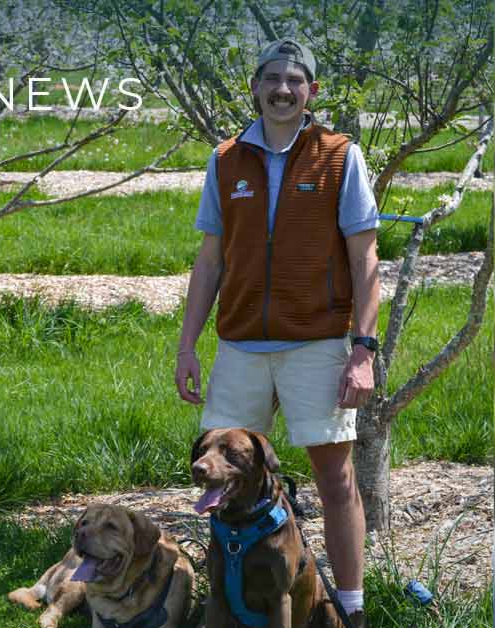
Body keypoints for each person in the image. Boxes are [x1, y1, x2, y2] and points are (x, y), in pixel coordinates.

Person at [174, 38, 379, 628]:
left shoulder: (340, 157)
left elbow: (365, 260)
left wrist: (362, 349)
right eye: (272, 78)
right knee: (222, 472)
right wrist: (188, 346)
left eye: (295, 80)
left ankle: (350, 609)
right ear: (256, 87)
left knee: (334, 478)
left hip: (316, 341)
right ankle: (236, 600)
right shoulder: (227, 159)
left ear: (312, 91)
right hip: (240, 343)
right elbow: (209, 260)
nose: (283, 89)